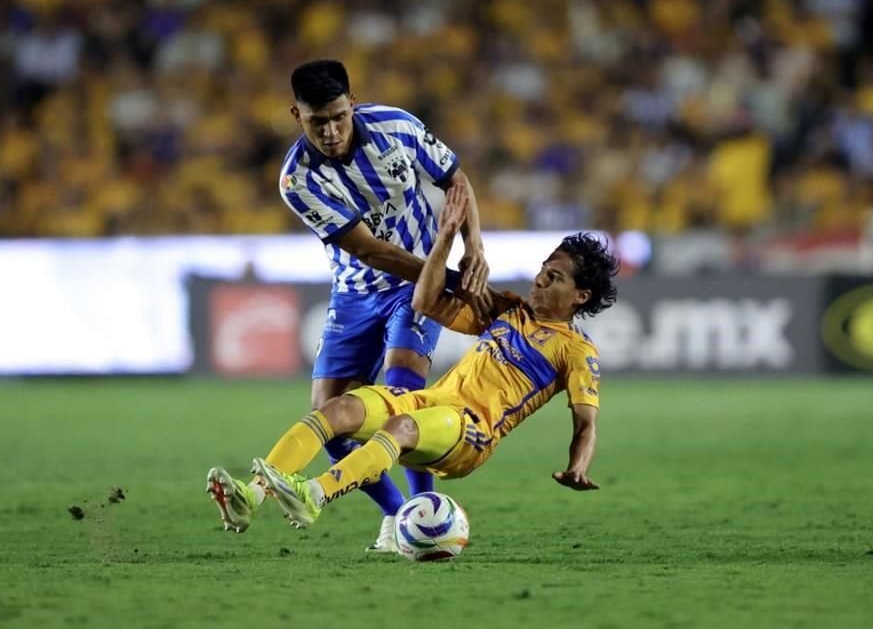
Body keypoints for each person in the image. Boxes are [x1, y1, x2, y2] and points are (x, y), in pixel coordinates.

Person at [205, 182, 619, 535]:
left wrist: (576, 466)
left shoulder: (577, 350)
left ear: (580, 297)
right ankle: (251, 495)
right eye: (544, 269)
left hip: (472, 432)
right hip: (433, 405)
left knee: (399, 426)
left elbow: (586, 423)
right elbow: (424, 300)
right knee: (339, 409)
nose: (540, 279)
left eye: (555, 277)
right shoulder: (507, 310)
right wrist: (447, 236)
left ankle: (314, 495)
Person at [205, 60, 490, 552]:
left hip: (414, 290)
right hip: (358, 290)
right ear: (297, 115)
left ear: (352, 103)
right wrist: (445, 276)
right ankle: (400, 514)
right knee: (330, 417)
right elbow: (368, 251)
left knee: (403, 400)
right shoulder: (297, 180)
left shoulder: (397, 127)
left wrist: (475, 248)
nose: (332, 131)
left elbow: (455, 179)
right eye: (318, 122)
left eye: (339, 116)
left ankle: (424, 514)